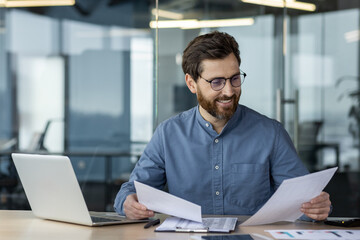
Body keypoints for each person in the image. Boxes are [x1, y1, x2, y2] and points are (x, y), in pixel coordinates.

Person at [114, 31, 331, 221]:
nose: (229, 91)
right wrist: (128, 203)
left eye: (235, 78)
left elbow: (303, 201)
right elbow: (132, 191)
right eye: (216, 82)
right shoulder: (168, 134)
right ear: (191, 83)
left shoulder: (271, 134)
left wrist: (317, 208)